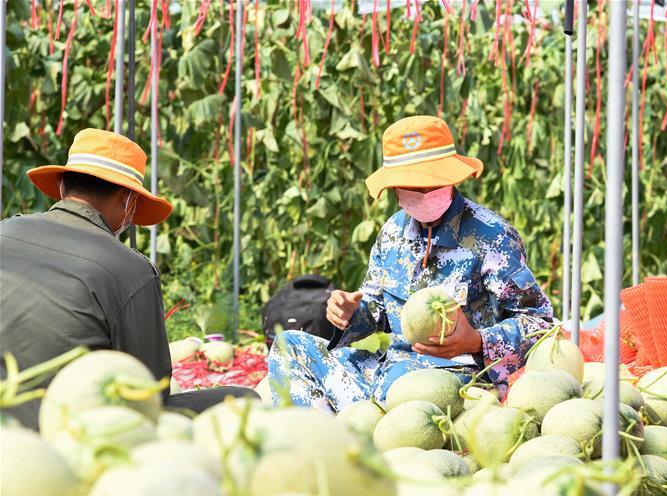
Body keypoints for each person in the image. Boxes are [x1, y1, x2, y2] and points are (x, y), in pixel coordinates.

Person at [268, 115, 553, 411]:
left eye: (432, 182)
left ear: (451, 178)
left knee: (403, 412)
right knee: (291, 347)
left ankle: (370, 425)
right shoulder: (393, 232)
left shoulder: (491, 236)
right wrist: (351, 313)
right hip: (389, 373)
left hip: (453, 386)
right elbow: (376, 308)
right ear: (395, 189)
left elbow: (539, 324)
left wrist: (478, 341)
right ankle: (328, 434)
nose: (424, 192)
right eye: (412, 185)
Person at [0, 128, 257, 430]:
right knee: (246, 399)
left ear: (61, 186)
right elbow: (149, 390)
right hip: (75, 429)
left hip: (7, 413)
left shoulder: (4, 231)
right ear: (127, 201)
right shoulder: (131, 270)